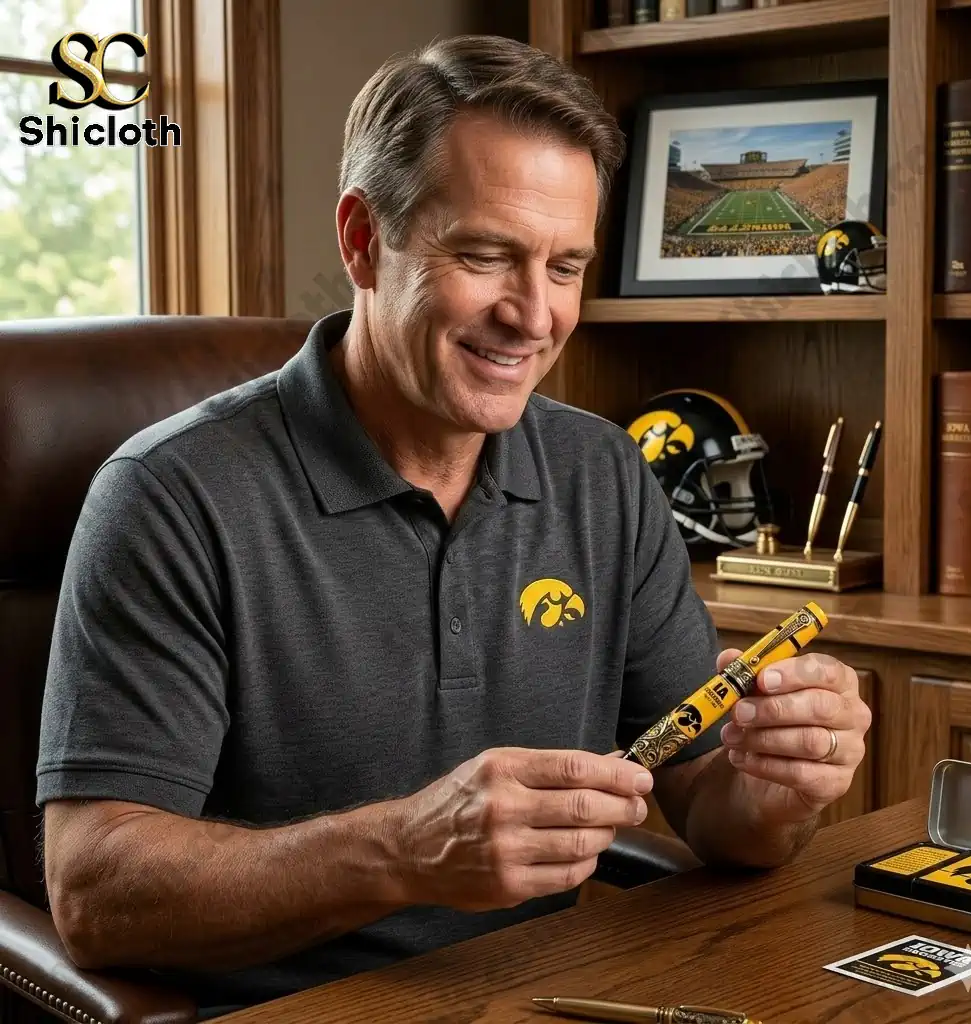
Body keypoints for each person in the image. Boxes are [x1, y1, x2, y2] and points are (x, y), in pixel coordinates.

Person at [36, 34, 872, 1020]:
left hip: (560, 996)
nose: (534, 314)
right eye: (485, 255)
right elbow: (95, 893)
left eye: (566, 266)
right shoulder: (170, 495)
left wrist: (781, 782)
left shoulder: (603, 472)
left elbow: (712, 809)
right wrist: (401, 851)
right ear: (360, 239)